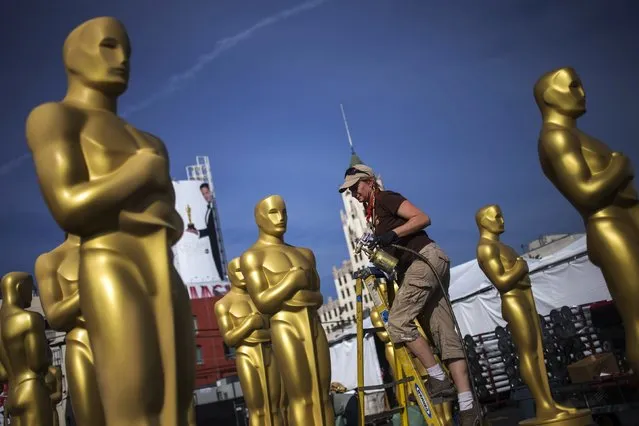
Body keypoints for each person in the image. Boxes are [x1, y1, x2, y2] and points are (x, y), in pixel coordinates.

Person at [338, 163, 479, 426]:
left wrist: (391, 233)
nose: (354, 194)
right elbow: (394, 251)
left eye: (356, 187)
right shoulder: (373, 215)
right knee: (444, 334)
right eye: (350, 191)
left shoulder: (386, 198)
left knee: (398, 322)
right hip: (424, 263)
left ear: (369, 181)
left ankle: (438, 377)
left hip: (424, 260)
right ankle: (468, 407)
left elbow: (422, 218)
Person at [185, 182, 225, 280]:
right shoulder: (209, 209)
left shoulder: (217, 208)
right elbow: (210, 230)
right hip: (214, 246)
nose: (205, 196)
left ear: (211, 191)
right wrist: (197, 232)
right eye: (203, 194)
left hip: (221, 246)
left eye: (207, 193)